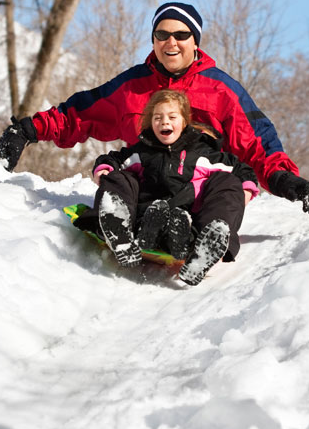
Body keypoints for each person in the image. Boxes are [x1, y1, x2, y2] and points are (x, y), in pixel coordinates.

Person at [0, 1, 309, 222]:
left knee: (227, 187)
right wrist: (28, 130)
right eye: (162, 34)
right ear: (154, 41)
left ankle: (210, 231)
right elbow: (80, 114)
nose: (171, 42)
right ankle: (116, 221)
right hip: (145, 191)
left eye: (181, 35)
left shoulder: (221, 90)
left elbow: (256, 142)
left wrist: (285, 180)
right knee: (118, 176)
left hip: (199, 195)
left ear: (195, 41)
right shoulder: (132, 86)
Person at [83, 89, 259, 285]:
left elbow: (240, 168)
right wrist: (105, 169)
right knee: (120, 177)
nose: (164, 122)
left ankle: (206, 245)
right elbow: (113, 159)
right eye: (157, 118)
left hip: (189, 224)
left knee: (227, 182)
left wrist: (245, 188)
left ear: (184, 122)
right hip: (142, 218)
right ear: (151, 123)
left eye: (172, 117)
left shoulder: (203, 153)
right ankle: (119, 229)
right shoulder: (142, 151)